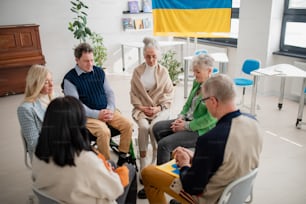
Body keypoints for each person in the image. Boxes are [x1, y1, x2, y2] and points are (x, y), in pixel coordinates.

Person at [141, 74, 264, 204]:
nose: (205, 104)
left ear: (213, 101)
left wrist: (184, 163)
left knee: (148, 173)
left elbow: (191, 186)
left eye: (204, 101)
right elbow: (226, 159)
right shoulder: (254, 123)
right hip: (233, 193)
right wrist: (196, 156)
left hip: (208, 198)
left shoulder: (211, 139)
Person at [32, 96, 137, 204]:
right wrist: (118, 172)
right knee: (129, 169)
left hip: (65, 197)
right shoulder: (86, 160)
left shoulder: (39, 155)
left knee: (110, 163)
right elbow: (115, 190)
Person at [62, 42, 133, 166]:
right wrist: (97, 114)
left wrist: (110, 109)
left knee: (127, 125)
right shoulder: (70, 79)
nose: (90, 64)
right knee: (104, 132)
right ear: (77, 60)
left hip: (107, 110)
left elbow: (109, 93)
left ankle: (123, 156)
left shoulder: (99, 72)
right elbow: (76, 105)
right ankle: (106, 164)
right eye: (86, 61)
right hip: (87, 116)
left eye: (92, 60)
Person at [153, 54, 217, 165]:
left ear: (209, 71)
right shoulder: (197, 82)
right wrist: (180, 118)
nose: (194, 75)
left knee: (164, 144)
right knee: (157, 128)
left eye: (198, 72)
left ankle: (163, 178)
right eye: (194, 71)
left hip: (201, 130)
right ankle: (171, 162)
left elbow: (209, 119)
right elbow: (188, 104)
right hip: (187, 120)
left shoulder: (215, 88)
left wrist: (186, 126)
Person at [130, 37, 174, 172]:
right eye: (148, 57)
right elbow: (133, 93)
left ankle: (155, 157)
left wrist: (158, 108)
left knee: (154, 127)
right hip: (142, 108)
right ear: (144, 55)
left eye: (154, 56)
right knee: (143, 128)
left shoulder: (164, 72)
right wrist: (142, 107)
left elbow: (169, 92)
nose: (151, 60)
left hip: (160, 108)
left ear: (158, 55)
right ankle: (143, 161)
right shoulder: (137, 71)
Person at [17, 64, 54, 160]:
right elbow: (34, 143)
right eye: (46, 82)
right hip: (46, 155)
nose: (51, 84)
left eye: (51, 80)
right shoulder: (25, 109)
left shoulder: (55, 97)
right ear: (35, 84)